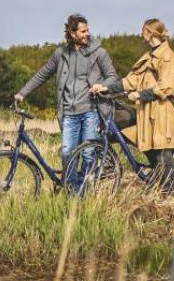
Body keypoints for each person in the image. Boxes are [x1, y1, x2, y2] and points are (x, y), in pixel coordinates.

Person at [14, 14, 120, 183]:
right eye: (83, 31)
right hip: (69, 113)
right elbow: (42, 74)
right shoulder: (60, 54)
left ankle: (85, 190)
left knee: (88, 153)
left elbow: (112, 77)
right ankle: (72, 191)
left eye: (87, 30)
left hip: (91, 110)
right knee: (67, 153)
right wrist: (22, 93)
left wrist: (102, 86)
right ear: (72, 33)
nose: (87, 33)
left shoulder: (99, 53)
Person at [92, 18, 174, 193]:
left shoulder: (167, 57)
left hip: (162, 111)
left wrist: (140, 95)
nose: (141, 34)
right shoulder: (149, 56)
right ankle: (160, 187)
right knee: (154, 152)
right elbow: (130, 81)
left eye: (143, 31)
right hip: (149, 112)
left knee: (163, 154)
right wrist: (106, 88)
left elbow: (166, 86)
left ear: (152, 33)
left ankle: (171, 193)